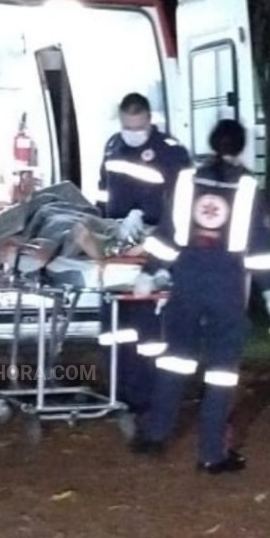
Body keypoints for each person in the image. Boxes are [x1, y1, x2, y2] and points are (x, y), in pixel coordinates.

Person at [129, 119, 270, 474]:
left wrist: (149, 272)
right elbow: (260, 248)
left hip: (187, 284)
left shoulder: (187, 180)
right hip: (227, 290)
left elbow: (168, 232)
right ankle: (212, 454)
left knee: (174, 362)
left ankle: (155, 436)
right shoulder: (248, 187)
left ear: (212, 143)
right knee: (221, 374)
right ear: (241, 147)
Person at [96, 93, 192, 417]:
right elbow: (103, 192)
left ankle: (151, 398)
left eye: (137, 127)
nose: (131, 133)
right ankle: (118, 392)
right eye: (126, 126)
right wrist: (106, 228)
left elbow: (180, 213)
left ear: (149, 121)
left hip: (152, 248)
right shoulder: (113, 146)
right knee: (113, 330)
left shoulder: (170, 152)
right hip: (117, 247)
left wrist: (157, 263)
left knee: (148, 335)